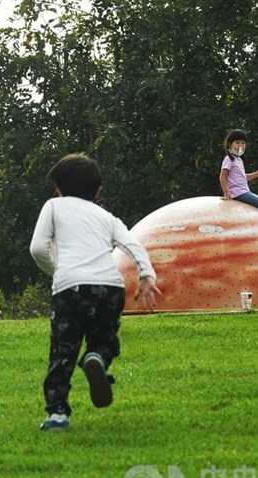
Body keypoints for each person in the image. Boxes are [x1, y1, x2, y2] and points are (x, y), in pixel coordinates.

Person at [29, 154, 160, 432]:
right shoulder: (107, 217)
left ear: (59, 189)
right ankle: (97, 358)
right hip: (109, 288)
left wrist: (58, 271)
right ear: (98, 190)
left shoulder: (53, 206)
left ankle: (58, 414)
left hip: (70, 288)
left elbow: (38, 249)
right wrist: (147, 275)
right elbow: (133, 245)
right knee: (104, 341)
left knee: (63, 352)